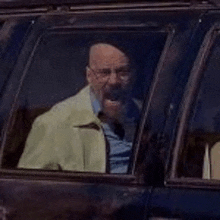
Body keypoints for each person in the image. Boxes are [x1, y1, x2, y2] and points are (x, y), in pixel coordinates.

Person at [17, 43, 141, 173]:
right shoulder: (54, 124)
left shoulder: (148, 114)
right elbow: (31, 189)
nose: (114, 81)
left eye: (123, 72)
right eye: (104, 73)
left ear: (133, 74)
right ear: (89, 76)